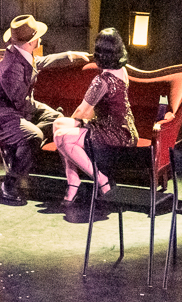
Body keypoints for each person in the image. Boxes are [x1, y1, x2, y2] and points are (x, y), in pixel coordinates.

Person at [0, 14, 84, 203]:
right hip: (1, 117)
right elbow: (18, 102)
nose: (40, 38)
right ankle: (9, 184)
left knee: (57, 119)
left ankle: (17, 145)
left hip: (17, 108)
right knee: (33, 136)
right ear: (31, 41)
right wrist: (30, 127)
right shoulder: (11, 66)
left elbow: (39, 62)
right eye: (38, 36)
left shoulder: (21, 53)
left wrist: (70, 55)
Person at [49, 29, 138, 203]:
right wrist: (72, 125)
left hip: (116, 135)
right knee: (58, 124)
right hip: (120, 128)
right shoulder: (122, 69)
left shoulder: (102, 81)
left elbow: (82, 111)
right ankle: (73, 181)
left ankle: (101, 180)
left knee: (61, 136)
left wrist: (71, 128)